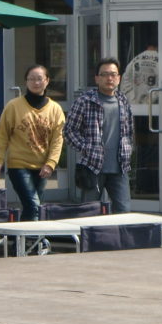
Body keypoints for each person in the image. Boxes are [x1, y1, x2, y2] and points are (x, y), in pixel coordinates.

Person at [0, 64, 66, 220]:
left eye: (39, 79)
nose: (35, 82)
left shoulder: (55, 109)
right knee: (34, 205)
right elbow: (2, 134)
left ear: (47, 81)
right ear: (26, 82)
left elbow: (57, 139)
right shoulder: (14, 106)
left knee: (33, 207)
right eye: (31, 79)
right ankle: (31, 241)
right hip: (19, 165)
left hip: (43, 166)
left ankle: (23, 242)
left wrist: (51, 163)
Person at [63, 58, 134, 213]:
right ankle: (90, 238)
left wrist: (128, 148)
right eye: (105, 74)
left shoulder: (123, 101)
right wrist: (86, 147)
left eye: (113, 74)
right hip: (93, 166)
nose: (110, 78)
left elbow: (129, 132)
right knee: (89, 212)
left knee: (124, 211)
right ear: (97, 78)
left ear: (119, 78)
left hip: (120, 167)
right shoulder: (84, 101)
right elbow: (69, 131)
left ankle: (117, 238)